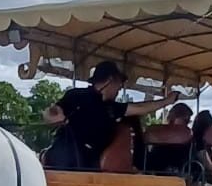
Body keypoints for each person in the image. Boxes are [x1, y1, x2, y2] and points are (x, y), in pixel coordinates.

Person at [44, 61, 183, 171]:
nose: (119, 89)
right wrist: (54, 114)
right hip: (75, 162)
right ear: (110, 80)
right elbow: (52, 113)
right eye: (119, 85)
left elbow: (140, 108)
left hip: (75, 162)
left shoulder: (112, 107)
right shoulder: (76, 96)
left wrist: (166, 101)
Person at [142, 102, 194, 173]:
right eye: (187, 120)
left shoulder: (158, 133)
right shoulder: (188, 135)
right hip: (182, 173)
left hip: (154, 171)